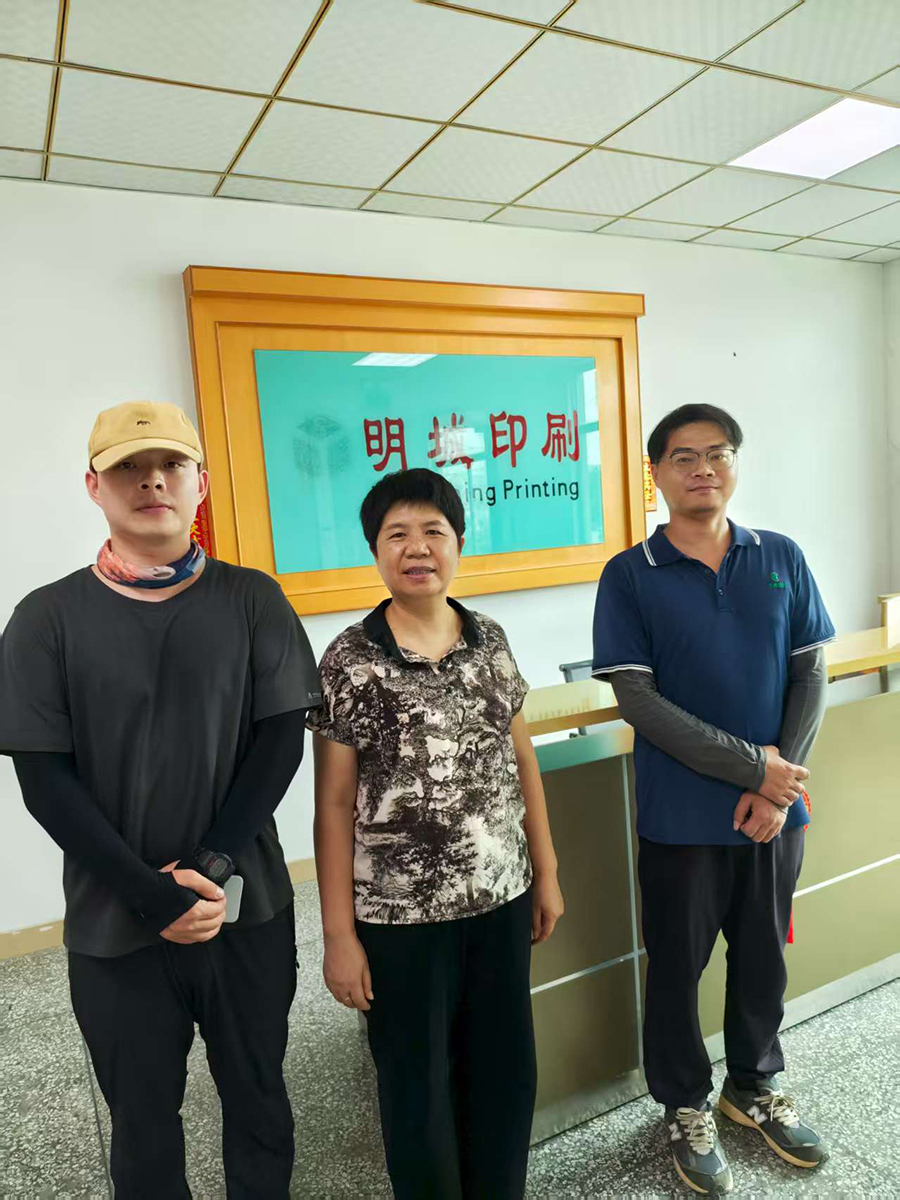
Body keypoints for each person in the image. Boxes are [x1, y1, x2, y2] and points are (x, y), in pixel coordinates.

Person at [0, 401, 320, 1199]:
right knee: (142, 1127)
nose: (152, 481)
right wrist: (152, 896)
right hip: (117, 926)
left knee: (260, 1102)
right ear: (94, 486)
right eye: (128, 468)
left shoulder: (252, 599)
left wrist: (208, 868)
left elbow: (279, 742)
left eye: (171, 465)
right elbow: (44, 780)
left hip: (245, 909)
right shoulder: (46, 619)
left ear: (199, 483)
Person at [592, 404, 834, 1196]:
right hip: (681, 817)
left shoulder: (780, 556)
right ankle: (684, 1104)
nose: (703, 469)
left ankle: (753, 1086)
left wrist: (781, 783)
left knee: (764, 959)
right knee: (677, 967)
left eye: (718, 453)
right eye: (684, 456)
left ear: (735, 463)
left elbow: (811, 674)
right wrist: (752, 769)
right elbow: (639, 701)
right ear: (656, 473)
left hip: (775, 814)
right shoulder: (631, 574)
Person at [308, 467, 563, 1200]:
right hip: (397, 920)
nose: (417, 548)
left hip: (500, 899)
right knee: (416, 1088)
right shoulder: (350, 660)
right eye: (397, 535)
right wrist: (338, 936)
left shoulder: (491, 640)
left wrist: (545, 873)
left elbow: (521, 761)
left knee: (504, 1074)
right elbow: (333, 805)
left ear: (457, 544)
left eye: (433, 532)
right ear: (375, 551)